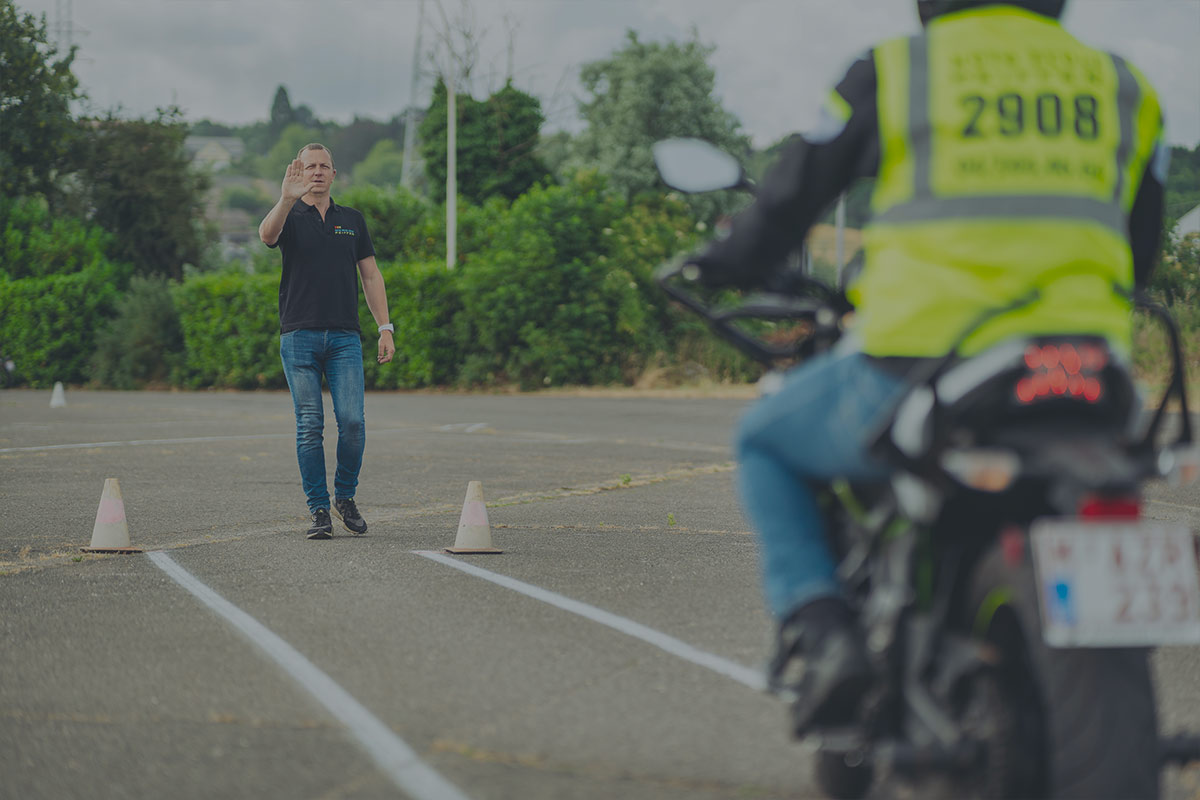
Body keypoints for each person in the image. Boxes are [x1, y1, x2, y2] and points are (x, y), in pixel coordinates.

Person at [687, 0, 1167, 735]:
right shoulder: (1126, 87)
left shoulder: (895, 71)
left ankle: (823, 636)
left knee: (765, 440)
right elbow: (1138, 249)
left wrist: (726, 259)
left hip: (924, 365)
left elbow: (789, 198)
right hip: (1089, 372)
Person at [259, 143, 396, 540]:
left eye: (324, 167)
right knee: (310, 425)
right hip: (298, 336)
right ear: (300, 172)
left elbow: (371, 276)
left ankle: (345, 497)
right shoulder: (289, 213)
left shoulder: (352, 220)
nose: (317, 172)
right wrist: (286, 198)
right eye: (309, 166)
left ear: (335, 174)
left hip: (344, 338)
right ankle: (318, 509)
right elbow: (267, 236)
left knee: (352, 422)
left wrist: (385, 327)